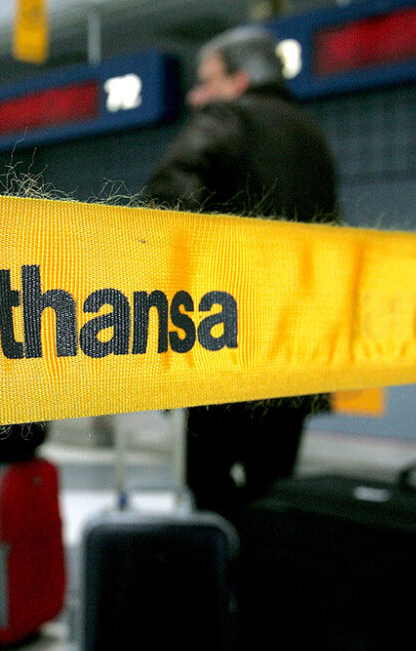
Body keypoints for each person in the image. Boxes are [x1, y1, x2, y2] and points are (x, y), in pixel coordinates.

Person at [144, 26, 338, 522]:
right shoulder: (312, 137)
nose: (196, 96)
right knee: (273, 485)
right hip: (299, 350)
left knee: (207, 480)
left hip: (226, 340)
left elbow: (166, 199)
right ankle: (262, 561)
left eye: (206, 81)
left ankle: (226, 560)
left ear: (239, 81)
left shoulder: (229, 118)